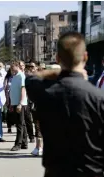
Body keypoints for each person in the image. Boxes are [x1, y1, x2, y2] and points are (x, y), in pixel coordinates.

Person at [25, 32, 104, 177]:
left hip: (56, 172)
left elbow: (31, 79)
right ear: (85, 57)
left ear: (57, 58)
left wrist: (60, 73)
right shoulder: (98, 98)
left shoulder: (45, 93)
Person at [9, 60, 28, 151]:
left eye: (13, 66)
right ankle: (24, 142)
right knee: (21, 124)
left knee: (19, 124)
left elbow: (23, 89)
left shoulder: (21, 75)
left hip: (20, 103)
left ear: (17, 66)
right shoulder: (15, 76)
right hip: (15, 102)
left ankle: (18, 144)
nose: (11, 68)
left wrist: (20, 103)